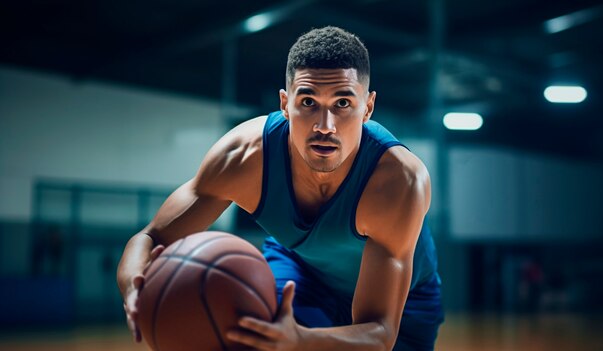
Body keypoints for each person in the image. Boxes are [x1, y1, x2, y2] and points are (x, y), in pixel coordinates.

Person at [117, 26, 443, 351]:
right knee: (254, 333)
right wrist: (135, 286)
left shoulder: (398, 182)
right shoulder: (243, 158)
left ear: (368, 108)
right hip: (301, 273)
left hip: (405, 302)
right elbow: (151, 238)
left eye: (343, 103)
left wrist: (300, 340)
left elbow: (380, 332)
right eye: (308, 101)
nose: (324, 126)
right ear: (285, 104)